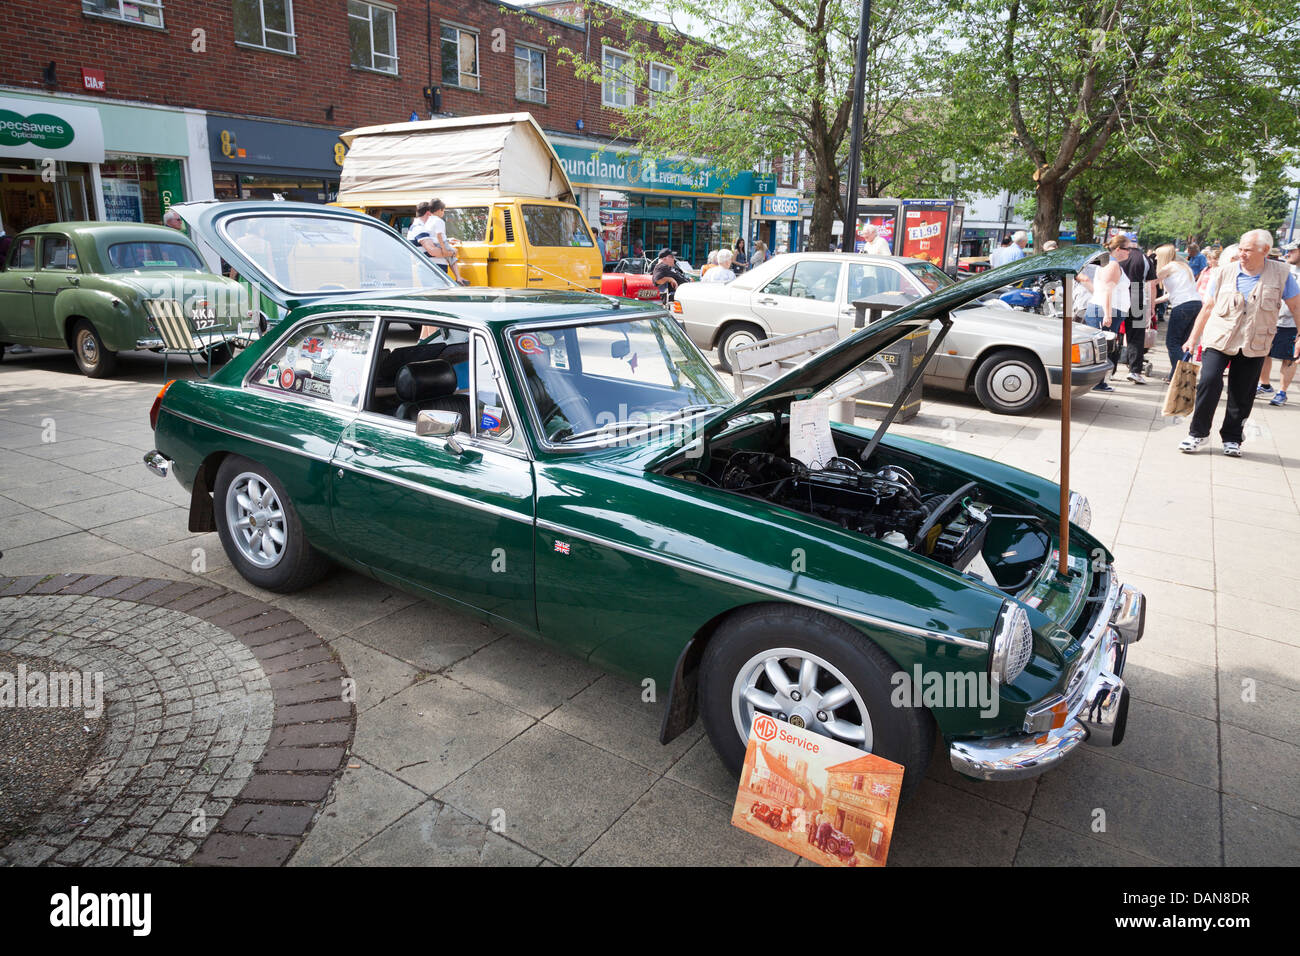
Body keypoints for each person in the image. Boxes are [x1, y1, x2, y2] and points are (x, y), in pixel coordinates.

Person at [1179, 229, 1300, 456]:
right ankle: (1198, 433)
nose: (1242, 254)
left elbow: (1296, 307)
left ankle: (1232, 438)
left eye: (1248, 250)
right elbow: (1208, 307)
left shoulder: (1282, 274)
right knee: (1209, 381)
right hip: (1219, 338)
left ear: (1265, 251)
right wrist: (1193, 338)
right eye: (1241, 249)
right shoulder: (1224, 272)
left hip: (1255, 341)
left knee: (1242, 392)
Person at [1085, 235, 1135, 391]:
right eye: (1128, 249)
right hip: (1105, 311)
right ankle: (1097, 382)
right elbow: (1107, 290)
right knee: (1102, 348)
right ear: (1118, 249)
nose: (1130, 252)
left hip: (1106, 310)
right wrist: (1107, 314)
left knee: (1103, 348)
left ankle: (1097, 382)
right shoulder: (1112, 265)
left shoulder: (1110, 264)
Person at [1258, 240, 1300, 405]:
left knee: (1289, 359)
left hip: (1292, 324)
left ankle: (1282, 392)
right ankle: (1265, 385)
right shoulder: (1283, 269)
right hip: (1272, 319)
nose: (1288, 254)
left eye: (1292, 251)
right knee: (1263, 353)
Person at [1153, 244, 1201, 383]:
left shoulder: (1168, 267)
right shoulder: (1183, 267)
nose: (1156, 258)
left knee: (1172, 343)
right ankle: (1175, 376)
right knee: (1184, 343)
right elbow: (1171, 294)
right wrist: (1154, 302)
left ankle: (1183, 376)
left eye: (1157, 255)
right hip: (1195, 304)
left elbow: (1151, 282)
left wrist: (1145, 299)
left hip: (1182, 306)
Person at [409, 199, 468, 285]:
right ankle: (458, 277)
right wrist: (451, 253)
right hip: (432, 271)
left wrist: (447, 240)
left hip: (433, 270)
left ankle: (458, 277)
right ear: (428, 213)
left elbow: (433, 238)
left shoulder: (423, 227)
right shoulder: (419, 228)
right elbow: (432, 251)